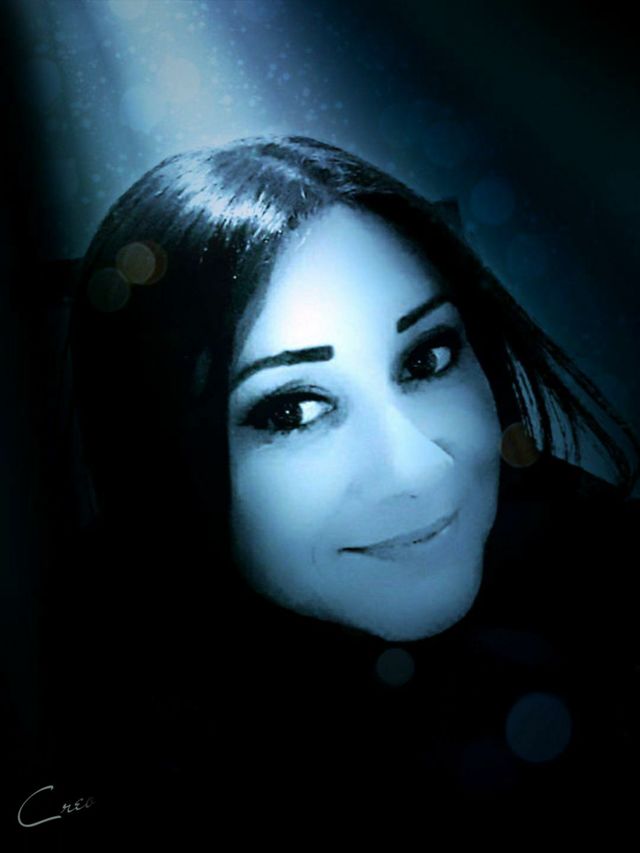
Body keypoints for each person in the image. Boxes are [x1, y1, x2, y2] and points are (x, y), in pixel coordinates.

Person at [56, 135, 638, 826]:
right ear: (164, 465)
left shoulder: (603, 576)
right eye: (292, 410)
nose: (422, 465)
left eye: (428, 358)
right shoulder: (91, 731)